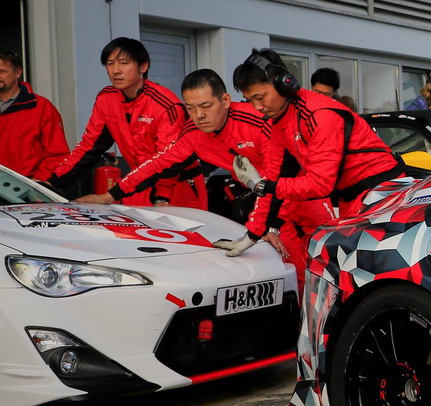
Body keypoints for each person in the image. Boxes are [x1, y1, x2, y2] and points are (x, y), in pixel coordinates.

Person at [75, 70, 329, 256]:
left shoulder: (259, 121)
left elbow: (286, 172)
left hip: (307, 196)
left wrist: (271, 223)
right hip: (268, 204)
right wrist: (109, 196)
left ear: (225, 101)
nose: (199, 115)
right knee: (282, 267)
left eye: (206, 106)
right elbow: (155, 165)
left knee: (324, 260)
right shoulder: (192, 135)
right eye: (191, 108)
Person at [226, 49, 405, 266]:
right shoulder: (280, 121)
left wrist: (262, 186)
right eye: (250, 100)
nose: (257, 107)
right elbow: (275, 180)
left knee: (379, 268)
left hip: (383, 195)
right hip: (353, 199)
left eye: (260, 97)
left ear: (284, 83)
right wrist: (253, 234)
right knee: (354, 269)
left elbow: (319, 184)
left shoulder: (320, 114)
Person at [48, 37, 203, 208]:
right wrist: (52, 182)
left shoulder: (165, 104)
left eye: (124, 63)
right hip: (135, 187)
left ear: (143, 67)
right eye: (110, 64)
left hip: (178, 190)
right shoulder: (106, 99)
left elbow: (170, 160)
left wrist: (161, 197)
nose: (116, 70)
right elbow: (89, 147)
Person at [0, 51, 69, 180]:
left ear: (18, 73)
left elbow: (57, 154)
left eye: (2, 72)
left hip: (26, 187)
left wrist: (37, 184)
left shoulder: (41, 108)